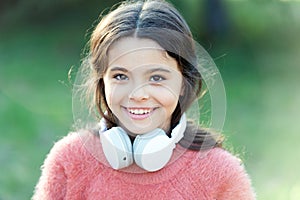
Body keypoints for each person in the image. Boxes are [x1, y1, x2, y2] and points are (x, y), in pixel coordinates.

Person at [32, 0, 256, 199]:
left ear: (183, 82)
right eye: (120, 76)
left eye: (156, 77)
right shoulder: (70, 161)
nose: (137, 94)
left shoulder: (218, 172)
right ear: (102, 81)